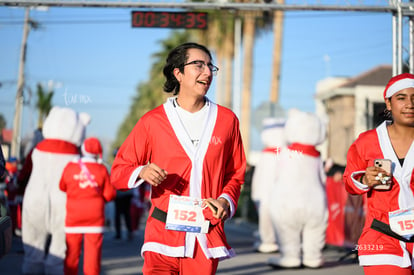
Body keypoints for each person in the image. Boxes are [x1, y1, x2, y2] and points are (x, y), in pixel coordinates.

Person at [111, 42, 246, 275]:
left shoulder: (227, 121)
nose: (207, 72)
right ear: (178, 73)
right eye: (198, 65)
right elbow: (118, 171)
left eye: (210, 67)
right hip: (162, 233)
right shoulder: (152, 121)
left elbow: (235, 173)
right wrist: (141, 171)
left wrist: (225, 201)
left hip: (205, 235)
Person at [343, 73, 414, 275]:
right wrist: (365, 179)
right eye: (401, 98)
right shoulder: (367, 141)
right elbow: (349, 181)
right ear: (388, 103)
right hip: (382, 236)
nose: (409, 104)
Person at [59, 137, 116, 275]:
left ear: (83, 149)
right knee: (93, 257)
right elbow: (110, 195)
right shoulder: (101, 169)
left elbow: (62, 186)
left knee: (71, 256)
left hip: (73, 216)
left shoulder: (70, 167)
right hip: (95, 218)